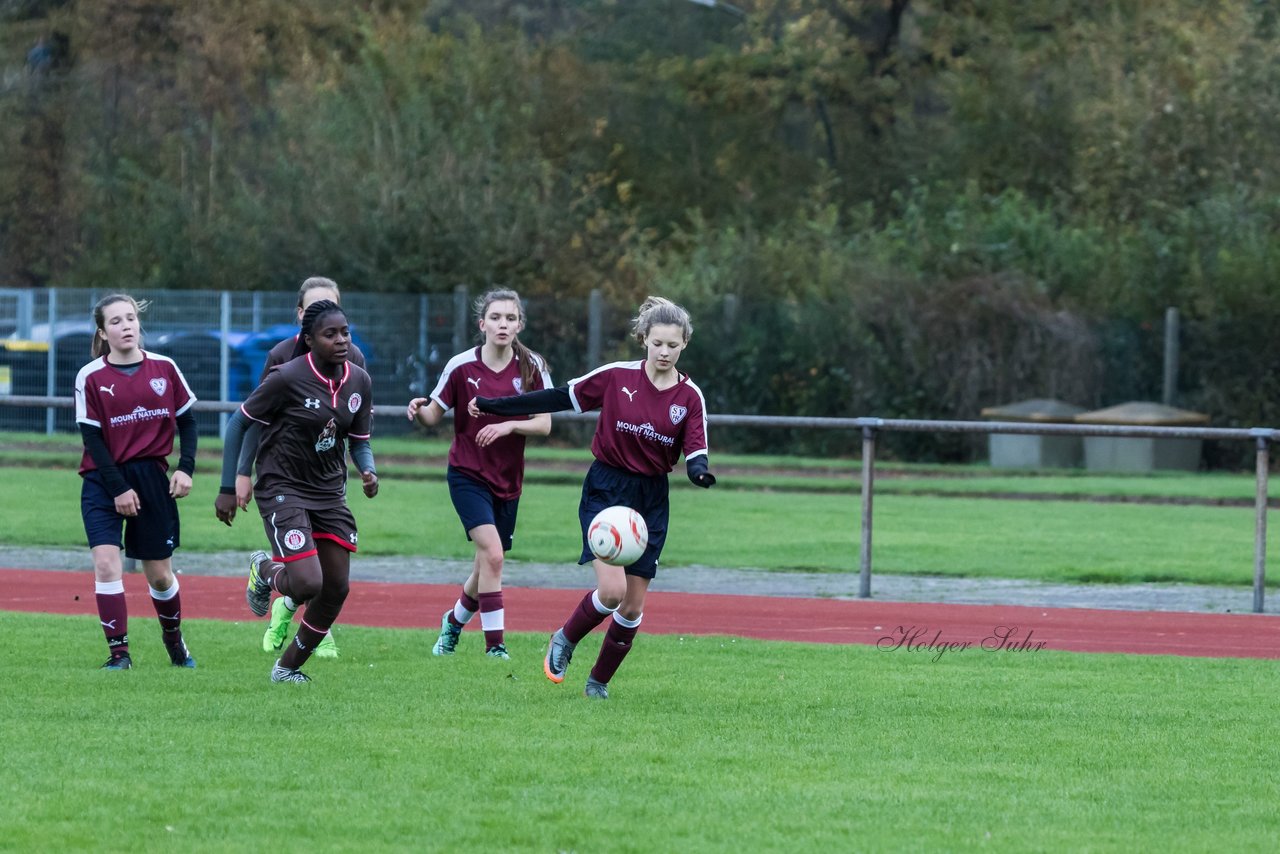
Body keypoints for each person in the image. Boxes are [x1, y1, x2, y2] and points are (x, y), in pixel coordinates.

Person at [470, 296, 715, 699]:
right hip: (607, 488)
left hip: (651, 498)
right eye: (658, 343)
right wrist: (498, 407)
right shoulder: (617, 376)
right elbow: (558, 398)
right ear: (644, 340)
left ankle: (598, 683)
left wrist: (699, 472)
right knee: (613, 592)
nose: (665, 352)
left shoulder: (690, 397)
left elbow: (696, 448)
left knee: (632, 607)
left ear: (685, 343)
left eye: (673, 344)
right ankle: (564, 638)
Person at [214, 299, 378, 684]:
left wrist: (368, 469)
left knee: (336, 587)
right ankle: (264, 568)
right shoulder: (286, 375)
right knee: (307, 582)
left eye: (345, 332)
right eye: (330, 334)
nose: (341, 340)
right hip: (282, 485)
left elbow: (359, 440)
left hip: (329, 490)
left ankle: (286, 669)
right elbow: (239, 423)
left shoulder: (359, 380)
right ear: (309, 339)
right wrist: (228, 485)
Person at [406, 289, 552, 660]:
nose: (503, 324)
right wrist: (418, 410)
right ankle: (495, 647)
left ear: (520, 324)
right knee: (494, 556)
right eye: (496, 317)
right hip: (467, 473)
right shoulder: (461, 366)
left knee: (486, 563)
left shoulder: (532, 366)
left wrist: (507, 427)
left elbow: (545, 424)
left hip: (508, 479)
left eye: (511, 318)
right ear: (482, 323)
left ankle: (453, 624)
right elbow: (433, 414)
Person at [75, 294, 199, 670]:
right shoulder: (90, 376)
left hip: (151, 479)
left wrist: (185, 468)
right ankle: (119, 655)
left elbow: (189, 423)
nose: (126, 326)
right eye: (116, 321)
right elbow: (92, 440)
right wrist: (118, 488)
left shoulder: (164, 367)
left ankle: (175, 643)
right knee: (107, 565)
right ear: (103, 332)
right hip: (103, 479)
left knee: (160, 575)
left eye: (130, 318)